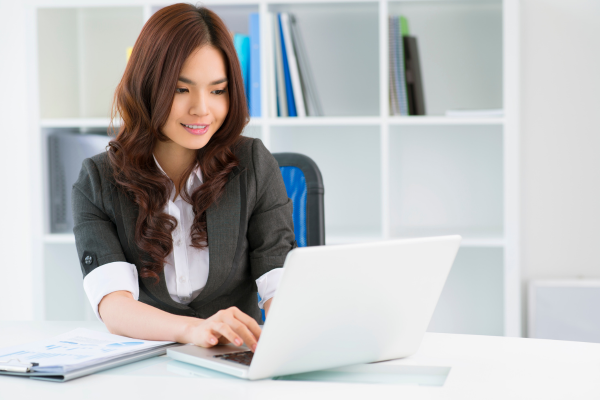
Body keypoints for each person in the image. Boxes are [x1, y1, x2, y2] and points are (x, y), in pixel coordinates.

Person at [72, 3, 296, 353]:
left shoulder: (252, 163)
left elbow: (278, 278)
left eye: (218, 90)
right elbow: (114, 307)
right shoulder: (98, 181)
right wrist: (195, 330)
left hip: (236, 362)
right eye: (181, 89)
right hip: (146, 368)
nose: (202, 108)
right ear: (148, 87)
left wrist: (292, 334)